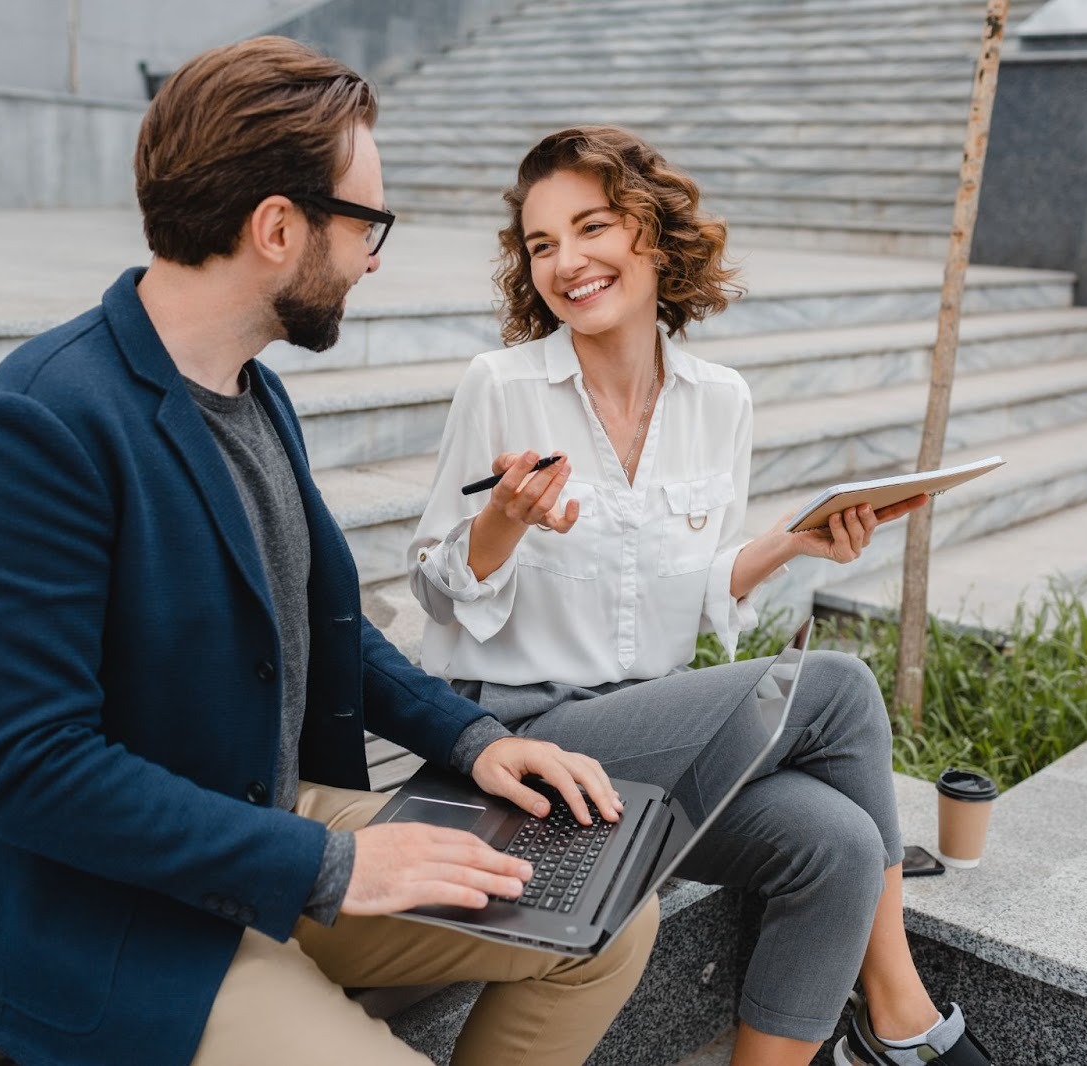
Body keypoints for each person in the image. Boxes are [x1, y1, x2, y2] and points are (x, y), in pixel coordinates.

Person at [0, 44, 659, 1066]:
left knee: (610, 919)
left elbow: (324, 631)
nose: (372, 257)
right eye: (369, 224)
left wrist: (474, 739)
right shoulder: (39, 424)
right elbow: (30, 769)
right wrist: (331, 862)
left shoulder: (250, 386)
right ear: (278, 227)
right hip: (109, 914)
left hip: (261, 824)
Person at [408, 126, 994, 1066]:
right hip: (525, 741)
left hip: (651, 736)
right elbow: (435, 594)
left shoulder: (722, 400)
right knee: (837, 688)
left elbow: (697, 583)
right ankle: (902, 1016)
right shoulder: (502, 385)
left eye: (591, 226)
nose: (567, 261)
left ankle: (857, 1040)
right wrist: (504, 523)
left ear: (653, 230)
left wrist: (789, 545)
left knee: (838, 845)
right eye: (541, 244)